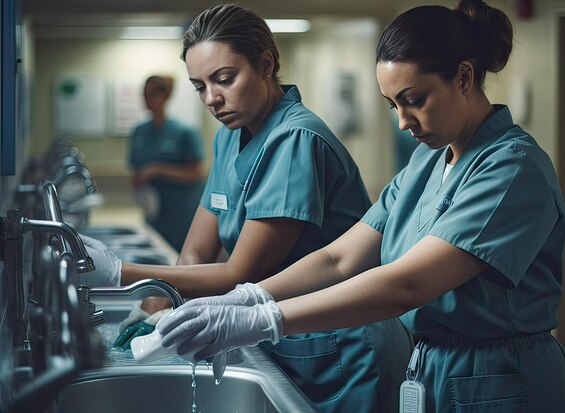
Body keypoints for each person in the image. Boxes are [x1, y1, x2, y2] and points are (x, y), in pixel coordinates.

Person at [156, 1, 565, 412]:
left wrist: (268, 319)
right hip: (432, 367)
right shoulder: (427, 161)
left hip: (498, 378)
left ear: (463, 76)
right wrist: (247, 298)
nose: (403, 121)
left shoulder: (511, 167)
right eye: (393, 104)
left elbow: (408, 285)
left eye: (415, 99)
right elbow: (340, 257)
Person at [85, 4, 412, 412]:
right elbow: (197, 252)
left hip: (339, 342)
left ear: (266, 64)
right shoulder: (229, 136)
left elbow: (242, 272)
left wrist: (122, 274)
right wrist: (156, 299)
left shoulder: (295, 139)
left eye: (224, 79)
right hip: (281, 333)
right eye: (199, 86)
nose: (212, 99)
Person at [128, 75, 206, 252]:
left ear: (165, 96)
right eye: (144, 94)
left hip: (184, 211)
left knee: (183, 257)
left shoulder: (185, 131)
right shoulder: (140, 132)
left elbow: (195, 173)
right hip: (155, 211)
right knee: (157, 254)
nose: (147, 99)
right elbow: (135, 169)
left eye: (152, 94)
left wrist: (157, 169)